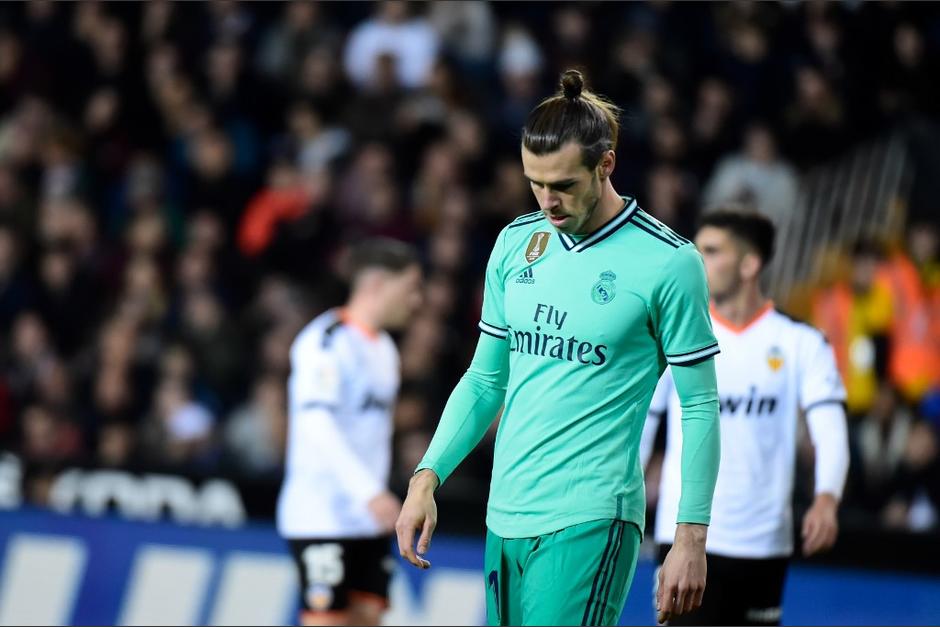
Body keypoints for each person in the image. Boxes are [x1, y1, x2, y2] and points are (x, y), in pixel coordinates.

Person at [395, 69, 722, 626]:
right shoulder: (516, 243)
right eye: (535, 182)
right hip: (505, 514)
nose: (548, 200)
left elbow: (699, 404)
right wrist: (426, 477)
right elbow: (484, 381)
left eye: (564, 185)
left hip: (592, 515)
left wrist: (689, 537)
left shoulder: (669, 262)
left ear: (606, 165)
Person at [641, 210, 850, 626]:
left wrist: (827, 499)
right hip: (684, 538)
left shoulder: (799, 342)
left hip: (764, 543)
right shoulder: (673, 336)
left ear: (750, 264)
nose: (696, 260)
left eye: (712, 251)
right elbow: (643, 422)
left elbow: (831, 431)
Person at [276, 238, 422, 626]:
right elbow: (315, 424)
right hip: (322, 514)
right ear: (376, 285)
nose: (416, 300)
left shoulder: (385, 350)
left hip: (367, 520)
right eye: (409, 288)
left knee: (367, 619)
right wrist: (369, 491)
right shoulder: (325, 341)